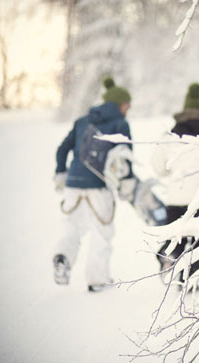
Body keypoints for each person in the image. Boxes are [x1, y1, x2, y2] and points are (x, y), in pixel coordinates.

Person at [53, 77, 133, 292]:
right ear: (119, 104)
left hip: (73, 184)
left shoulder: (82, 121)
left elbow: (62, 149)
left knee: (72, 226)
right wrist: (127, 183)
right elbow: (125, 156)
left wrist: (61, 172)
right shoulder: (120, 123)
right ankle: (97, 279)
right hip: (99, 185)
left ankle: (63, 257)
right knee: (101, 231)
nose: (129, 108)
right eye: (127, 104)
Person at [151, 82, 199, 285]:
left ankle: (168, 255)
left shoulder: (170, 135)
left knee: (177, 238)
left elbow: (158, 167)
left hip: (176, 199)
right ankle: (189, 279)